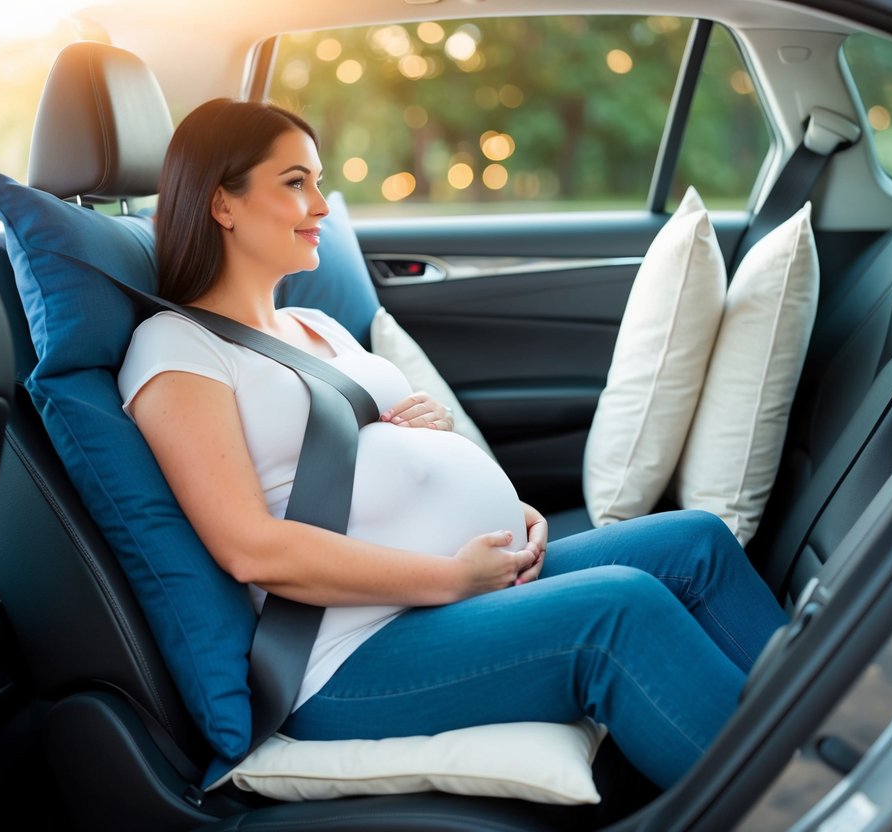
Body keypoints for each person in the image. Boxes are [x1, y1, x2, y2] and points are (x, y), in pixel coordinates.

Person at [117, 98, 788, 790]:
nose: (320, 202)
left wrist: (506, 507)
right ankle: (796, 803)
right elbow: (248, 547)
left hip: (458, 598)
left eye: (318, 179)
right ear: (222, 204)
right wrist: (451, 578)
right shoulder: (176, 347)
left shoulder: (314, 324)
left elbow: (373, 458)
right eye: (295, 182)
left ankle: (832, 737)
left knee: (695, 543)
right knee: (619, 610)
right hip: (352, 652)